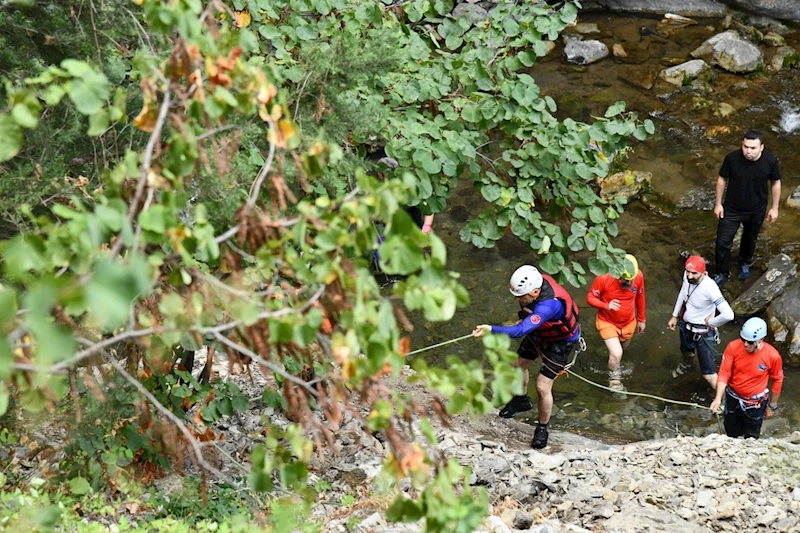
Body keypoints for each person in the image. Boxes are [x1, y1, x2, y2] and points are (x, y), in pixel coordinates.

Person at [473, 265, 581, 449]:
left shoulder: (549, 306)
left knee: (542, 386)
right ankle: (521, 401)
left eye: (521, 297)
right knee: (517, 366)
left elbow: (520, 331)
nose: (518, 300)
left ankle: (542, 427)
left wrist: (491, 329)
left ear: (536, 292)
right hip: (540, 332)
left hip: (560, 341)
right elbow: (527, 321)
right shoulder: (536, 286)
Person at [713, 130, 781, 285]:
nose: (748, 151)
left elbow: (776, 183)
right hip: (732, 208)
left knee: (750, 239)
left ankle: (744, 263)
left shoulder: (770, 161)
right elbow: (722, 179)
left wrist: (775, 207)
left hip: (756, 209)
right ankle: (721, 273)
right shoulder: (732, 159)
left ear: (761, 147)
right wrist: (718, 203)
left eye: (752, 148)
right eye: (745, 147)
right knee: (723, 242)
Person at [709, 317, 783, 439]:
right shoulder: (733, 347)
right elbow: (724, 373)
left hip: (755, 403)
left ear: (761, 340)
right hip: (733, 396)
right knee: (731, 431)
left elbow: (777, 380)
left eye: (749, 342)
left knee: (752, 435)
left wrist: (772, 406)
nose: (745, 344)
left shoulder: (773, 356)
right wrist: (718, 398)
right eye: (743, 339)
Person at [667, 255, 734, 389]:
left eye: (694, 273)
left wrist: (712, 323)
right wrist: (674, 316)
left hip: (702, 333)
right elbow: (682, 293)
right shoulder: (687, 278)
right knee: (687, 353)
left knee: (709, 375)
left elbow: (728, 314)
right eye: (688, 272)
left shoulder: (710, 288)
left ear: (703, 273)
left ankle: (723, 401)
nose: (690, 276)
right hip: (686, 327)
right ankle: (688, 367)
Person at [585, 254, 646, 391]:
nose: (630, 284)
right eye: (625, 280)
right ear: (618, 275)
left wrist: (642, 319)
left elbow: (640, 296)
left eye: (631, 280)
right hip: (607, 322)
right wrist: (606, 305)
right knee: (617, 353)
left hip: (629, 322)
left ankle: (613, 359)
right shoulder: (603, 278)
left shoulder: (639, 276)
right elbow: (589, 298)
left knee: (622, 349)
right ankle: (614, 381)